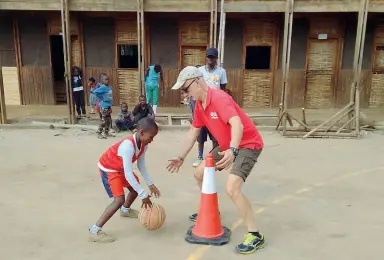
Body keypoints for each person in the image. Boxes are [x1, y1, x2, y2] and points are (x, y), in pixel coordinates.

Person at [166, 66, 264, 255]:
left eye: (185, 89)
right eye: (182, 92)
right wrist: (180, 157)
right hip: (227, 145)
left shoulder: (219, 98)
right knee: (199, 173)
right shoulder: (199, 106)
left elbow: (237, 123)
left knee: (232, 189)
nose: (185, 95)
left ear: (196, 81)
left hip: (247, 144)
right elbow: (194, 131)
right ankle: (212, 211)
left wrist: (233, 149)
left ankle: (255, 235)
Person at [88, 117, 161, 243]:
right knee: (119, 199)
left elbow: (141, 165)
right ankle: (94, 230)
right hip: (109, 169)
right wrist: (143, 194)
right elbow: (128, 174)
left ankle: (125, 210)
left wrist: (150, 184)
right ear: (141, 132)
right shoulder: (128, 146)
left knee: (134, 188)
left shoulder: (143, 145)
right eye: (151, 137)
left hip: (120, 168)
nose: (152, 140)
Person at [191, 48, 228, 167]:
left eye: (213, 57)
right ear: (206, 57)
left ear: (216, 58)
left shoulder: (221, 71)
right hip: (202, 106)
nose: (210, 59)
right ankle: (200, 157)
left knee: (215, 134)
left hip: (215, 106)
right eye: (209, 57)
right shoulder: (199, 70)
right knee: (200, 134)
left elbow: (222, 89)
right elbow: (195, 86)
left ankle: (213, 157)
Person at [92, 73, 113, 139]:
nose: (107, 81)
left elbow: (109, 96)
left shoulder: (109, 87)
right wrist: (101, 97)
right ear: (102, 81)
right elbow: (94, 91)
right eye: (106, 79)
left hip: (108, 106)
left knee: (108, 120)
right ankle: (99, 132)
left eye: (108, 79)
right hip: (104, 107)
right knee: (104, 120)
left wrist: (110, 106)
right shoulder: (103, 87)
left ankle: (106, 132)